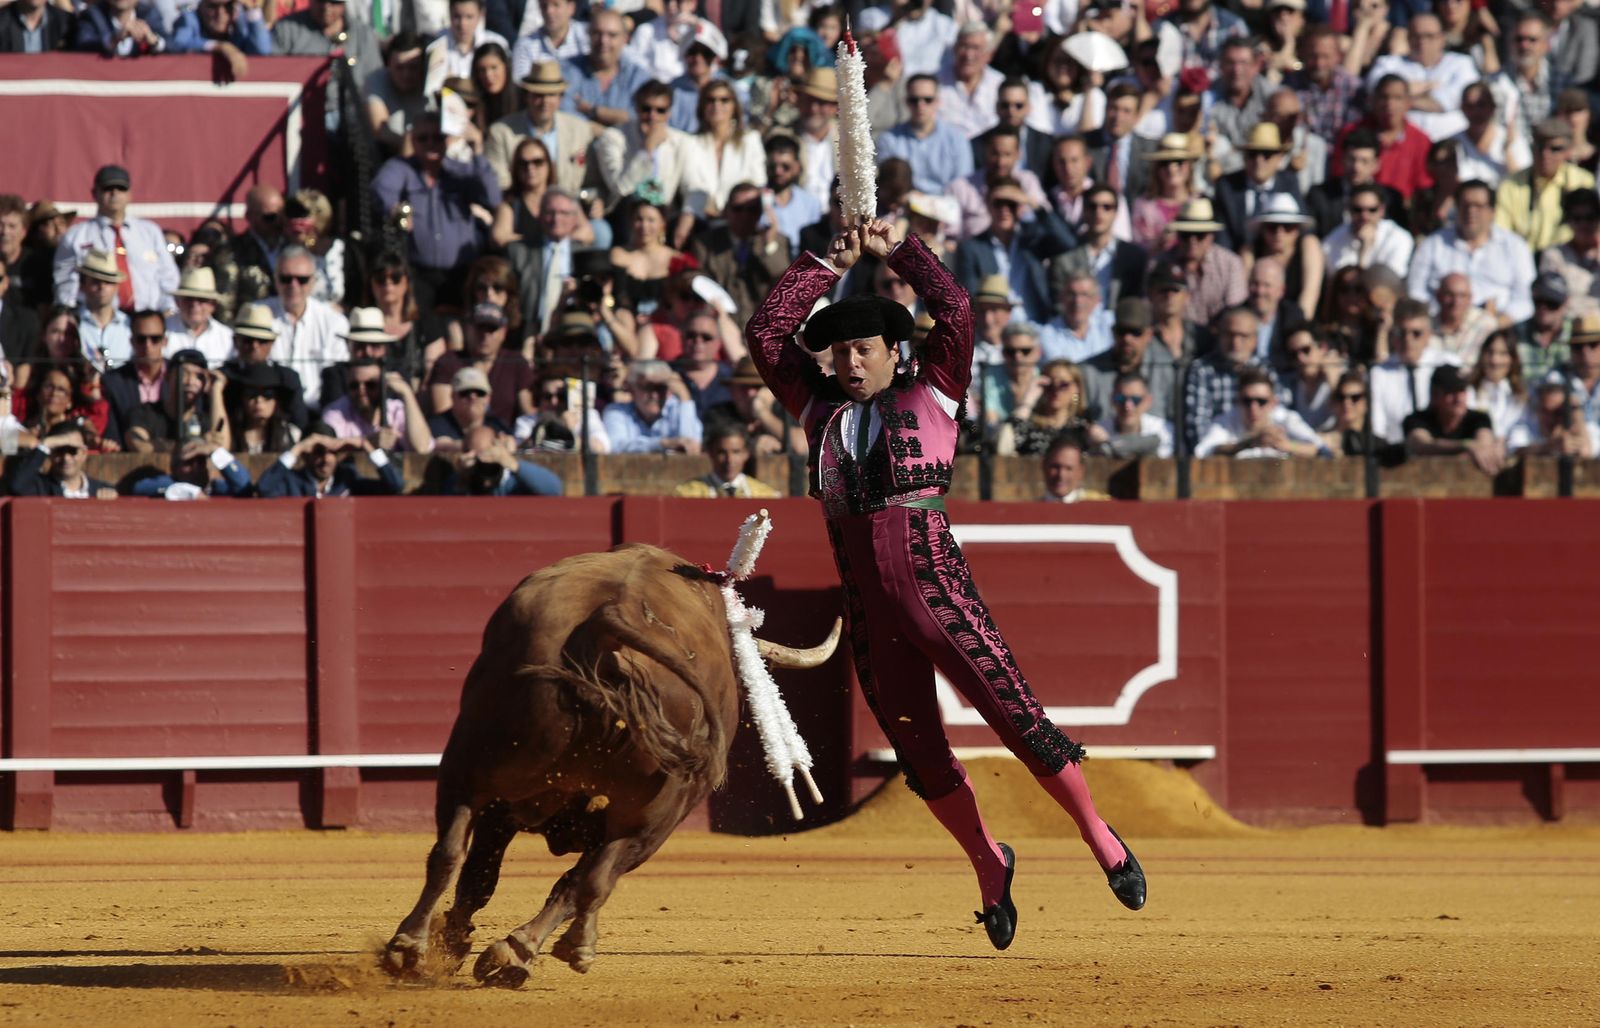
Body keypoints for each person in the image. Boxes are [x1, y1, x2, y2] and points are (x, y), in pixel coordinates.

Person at [745, 219, 1146, 952]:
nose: (850, 362)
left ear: (895, 352)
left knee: (1017, 719)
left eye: (863, 348)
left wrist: (899, 248)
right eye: (840, 351)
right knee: (919, 752)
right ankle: (989, 864)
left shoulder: (935, 387)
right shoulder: (818, 408)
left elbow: (956, 307)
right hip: (870, 609)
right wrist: (826, 265)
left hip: (939, 592)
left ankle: (1097, 832)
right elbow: (767, 333)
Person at [374, 110, 501, 313]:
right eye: (423, 138)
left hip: (461, 273)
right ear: (412, 141)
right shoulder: (402, 168)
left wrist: (477, 149)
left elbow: (493, 197)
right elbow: (381, 190)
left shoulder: (460, 171)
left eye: (438, 137)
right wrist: (397, 211)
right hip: (418, 273)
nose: (430, 143)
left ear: (448, 140)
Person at [1407, 179, 1536, 326]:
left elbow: (1524, 300)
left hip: (1498, 328)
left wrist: (1495, 324)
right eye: (1465, 205)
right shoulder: (1432, 244)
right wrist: (1442, 314)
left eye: (1478, 206)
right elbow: (1416, 291)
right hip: (1440, 325)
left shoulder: (1515, 247)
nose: (1471, 211)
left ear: (1492, 211)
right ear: (1456, 207)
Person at [54, 165, 179, 313]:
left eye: (121, 188)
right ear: (95, 193)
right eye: (108, 188)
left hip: (147, 318)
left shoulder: (150, 232)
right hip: (97, 317)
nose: (115, 193)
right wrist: (70, 313)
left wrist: (168, 310)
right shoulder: (76, 236)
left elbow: (168, 277)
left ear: (130, 194)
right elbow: (65, 282)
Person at [676, 81, 768, 247]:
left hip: (742, 221)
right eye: (710, 100)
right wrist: (690, 214)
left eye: (724, 100)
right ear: (702, 107)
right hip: (702, 221)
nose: (717, 105)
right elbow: (690, 185)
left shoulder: (750, 140)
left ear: (734, 106)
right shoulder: (690, 143)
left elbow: (758, 184)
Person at [485, 62, 597, 195]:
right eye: (538, 95)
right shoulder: (501, 133)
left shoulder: (580, 129)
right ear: (527, 96)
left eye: (551, 95)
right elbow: (500, 184)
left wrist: (594, 200)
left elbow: (593, 183)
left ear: (560, 98)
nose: (545, 102)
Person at [265, 245, 349, 409]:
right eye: (286, 279)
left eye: (302, 279)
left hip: (322, 410)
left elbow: (338, 378)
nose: (293, 285)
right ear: (275, 279)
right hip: (272, 410)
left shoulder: (334, 322)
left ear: (313, 282)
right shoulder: (259, 314)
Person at [1370, 299, 1458, 444]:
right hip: (1395, 451)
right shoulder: (1379, 373)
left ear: (1429, 334)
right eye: (1401, 333)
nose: (1408, 339)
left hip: (1443, 449)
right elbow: (1377, 428)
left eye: (1416, 333)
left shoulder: (1448, 365)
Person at [875, 74, 974, 195]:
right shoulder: (888, 139)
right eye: (914, 100)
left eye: (928, 100)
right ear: (906, 102)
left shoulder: (957, 140)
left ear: (937, 102)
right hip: (902, 201)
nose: (920, 105)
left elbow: (962, 186)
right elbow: (888, 183)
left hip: (947, 203)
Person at [1195, 368, 1324, 459]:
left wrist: (1287, 445)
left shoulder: (1286, 419)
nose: (1254, 408)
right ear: (1238, 401)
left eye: (1261, 401)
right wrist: (1249, 443)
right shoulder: (1225, 421)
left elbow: (1318, 449)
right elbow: (1204, 452)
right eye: (1247, 401)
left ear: (1273, 403)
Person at [1403, 364, 1504, 474]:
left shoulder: (1479, 418)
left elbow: (1484, 445)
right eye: (1451, 392)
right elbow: (1423, 445)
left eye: (1462, 391)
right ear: (1435, 395)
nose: (1458, 399)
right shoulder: (1417, 420)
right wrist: (1465, 446)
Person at [319, 358, 434, 454]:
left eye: (370, 385)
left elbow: (422, 448)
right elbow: (327, 447)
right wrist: (368, 442)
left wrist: (407, 393)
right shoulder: (335, 411)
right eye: (354, 385)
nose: (361, 391)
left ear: (384, 386)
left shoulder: (396, 410)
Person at [995, 359, 1097, 457]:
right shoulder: (1029, 424)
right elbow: (1003, 446)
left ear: (1076, 388)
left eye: (1063, 385)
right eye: (1050, 385)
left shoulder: (1083, 426)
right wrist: (1029, 399)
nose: (1056, 390)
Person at [255, 431, 406, 497]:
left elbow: (396, 485)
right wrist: (297, 448)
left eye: (332, 452)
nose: (326, 459)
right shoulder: (292, 481)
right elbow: (263, 488)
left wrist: (366, 445)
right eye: (319, 452)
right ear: (306, 456)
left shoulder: (347, 479)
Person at [601, 359, 703, 454]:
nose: (654, 395)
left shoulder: (678, 409)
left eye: (660, 388)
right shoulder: (616, 411)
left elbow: (691, 447)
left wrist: (684, 397)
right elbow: (616, 447)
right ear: (632, 389)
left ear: (669, 390)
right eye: (648, 388)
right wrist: (662, 444)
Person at [1323, 184, 1414, 281]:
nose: (1364, 216)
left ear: (1382, 210)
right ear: (1349, 209)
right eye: (1357, 210)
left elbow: (1389, 283)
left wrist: (1364, 253)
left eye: (1372, 210)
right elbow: (1339, 282)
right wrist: (1363, 250)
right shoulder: (1333, 240)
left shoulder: (1399, 238)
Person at [9, 421, 118, 498]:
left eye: (72, 451)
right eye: (59, 450)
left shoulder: (102, 490)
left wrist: (110, 504)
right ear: (50, 454)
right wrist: (46, 443)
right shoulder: (41, 487)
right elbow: (17, 486)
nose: (66, 458)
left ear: (84, 453)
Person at [672, 421, 782, 498]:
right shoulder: (687, 494)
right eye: (722, 452)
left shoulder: (764, 495)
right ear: (711, 453)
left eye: (736, 452)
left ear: (746, 454)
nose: (729, 460)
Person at [443, 424, 563, 494]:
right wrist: (462, 479)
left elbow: (554, 489)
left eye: (488, 453)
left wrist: (513, 464)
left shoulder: (512, 480)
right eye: (477, 456)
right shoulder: (463, 478)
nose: (485, 461)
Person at [1539, 189, 1600, 318]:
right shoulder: (1554, 256)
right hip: (1569, 326)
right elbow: (1554, 300)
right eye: (1577, 218)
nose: (1584, 224)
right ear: (1568, 221)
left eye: (1589, 218)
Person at [127, 438, 253, 499]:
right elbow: (140, 487)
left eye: (200, 462)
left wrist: (216, 451)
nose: (195, 468)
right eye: (188, 463)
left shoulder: (216, 488)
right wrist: (190, 492)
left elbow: (244, 486)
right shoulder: (169, 483)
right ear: (174, 467)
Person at [1506, 377, 1598, 458]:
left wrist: (1577, 415)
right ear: (1538, 410)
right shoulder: (1525, 428)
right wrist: (1549, 447)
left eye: (1558, 412)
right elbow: (1514, 451)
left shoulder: (1587, 428)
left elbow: (1587, 453)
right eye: (1547, 412)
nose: (1552, 418)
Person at [225, 361, 301, 454]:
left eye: (268, 395)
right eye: (251, 394)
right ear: (241, 399)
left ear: (277, 400)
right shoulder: (228, 433)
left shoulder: (291, 434)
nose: (259, 400)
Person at [1097, 371, 1174, 459]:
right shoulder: (1098, 431)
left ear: (1148, 401)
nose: (1127, 407)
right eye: (1121, 399)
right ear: (1112, 400)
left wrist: (1108, 444)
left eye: (1135, 399)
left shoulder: (1165, 432)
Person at [164, 268, 233, 366]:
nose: (194, 305)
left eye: (202, 300)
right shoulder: (161, 332)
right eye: (189, 298)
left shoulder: (227, 338)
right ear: (177, 301)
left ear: (213, 305)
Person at [1466, 329, 1527, 440]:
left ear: (1512, 359)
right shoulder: (1468, 391)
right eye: (1490, 352)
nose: (1495, 360)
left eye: (1503, 354)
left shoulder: (1521, 396)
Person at [1039, 434, 1110, 503]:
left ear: (1080, 471)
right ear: (1044, 466)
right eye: (1055, 467)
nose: (1061, 475)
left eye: (1068, 468)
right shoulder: (1034, 508)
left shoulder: (1101, 505)